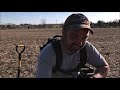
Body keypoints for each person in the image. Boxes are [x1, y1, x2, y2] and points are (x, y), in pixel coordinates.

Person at [36, 13, 110, 78]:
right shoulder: (49, 53)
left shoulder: (87, 48)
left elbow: (104, 67)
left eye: (84, 37)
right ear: (63, 33)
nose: (80, 43)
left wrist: (95, 77)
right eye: (74, 36)